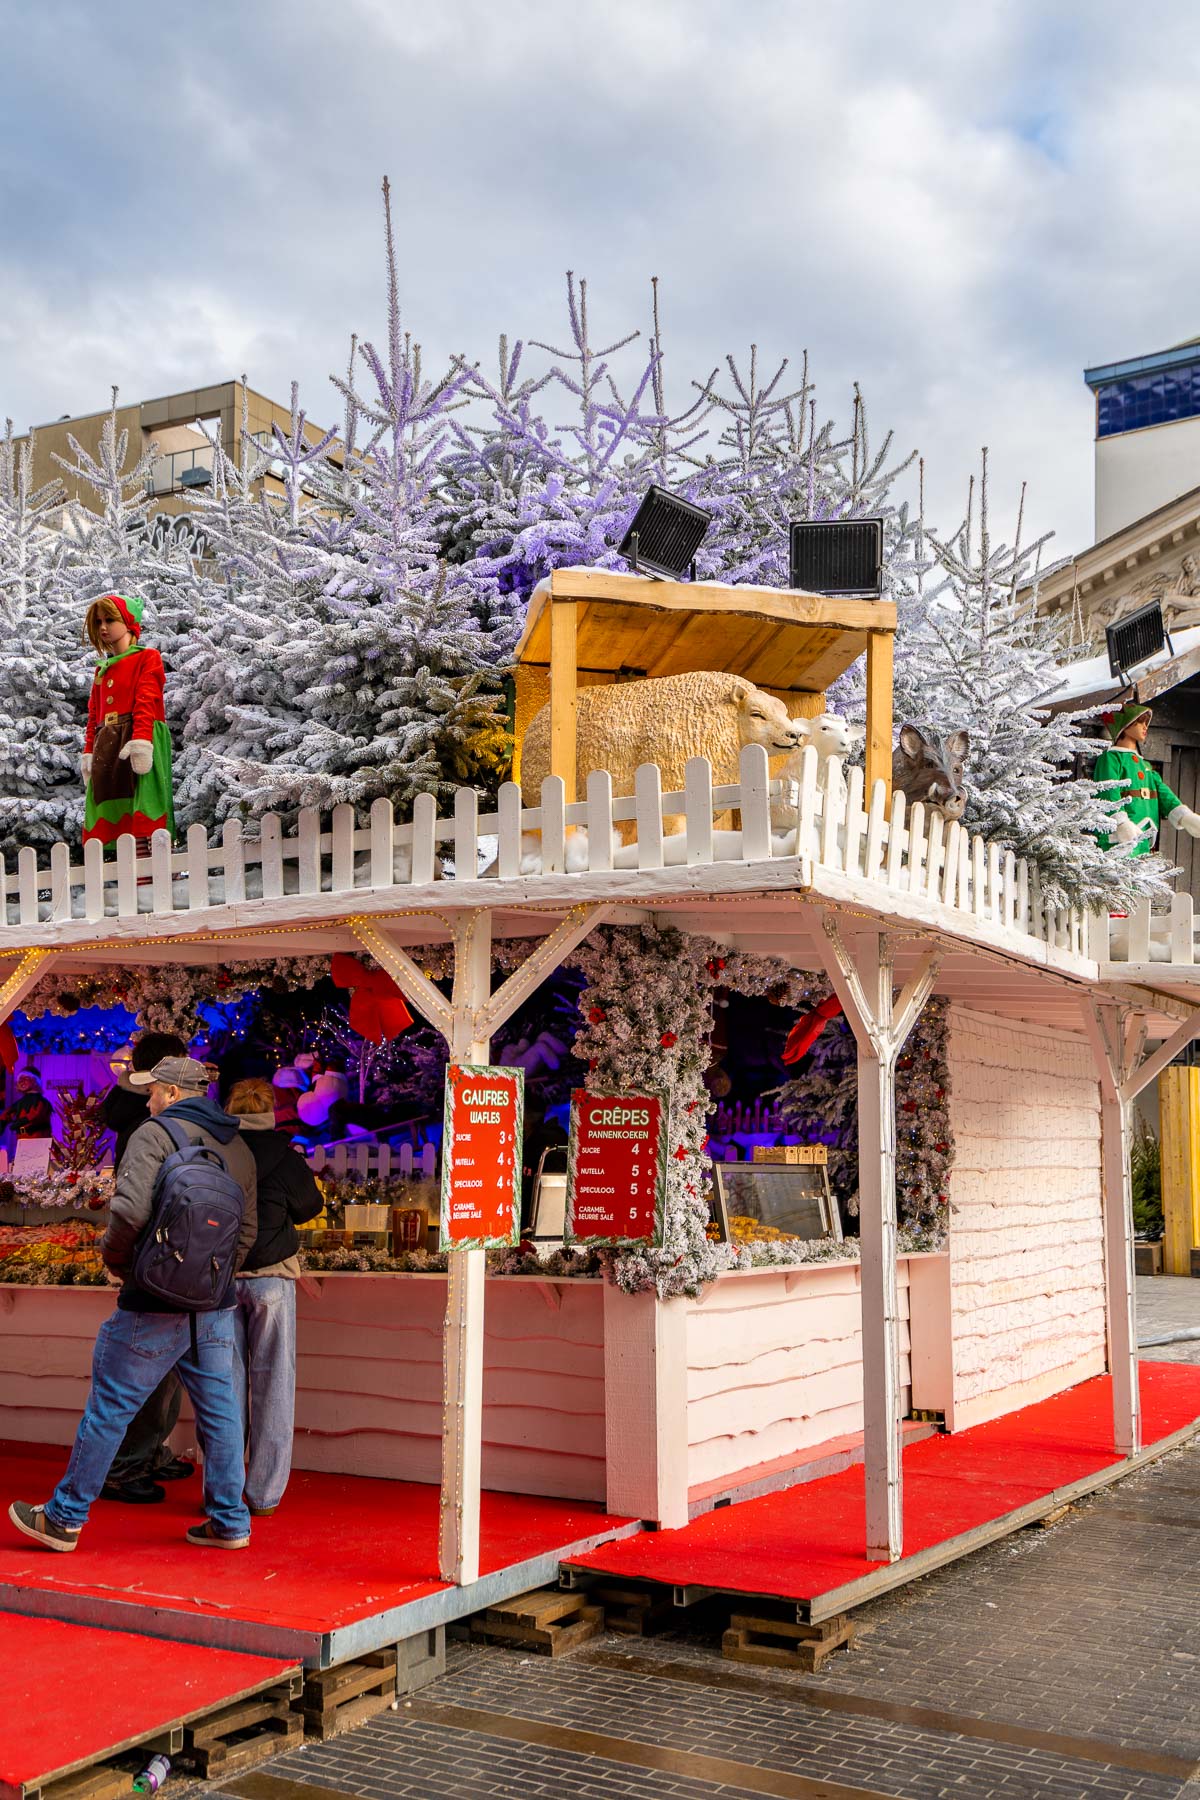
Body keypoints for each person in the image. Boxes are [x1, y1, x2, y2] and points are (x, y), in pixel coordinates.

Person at [8, 1057, 257, 1553]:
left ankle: (64, 1517)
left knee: (110, 1407)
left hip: (151, 1300)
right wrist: (210, 1278)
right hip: (213, 1303)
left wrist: (126, 1267)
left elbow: (128, 1212)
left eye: (153, 1091)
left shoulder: (154, 1134)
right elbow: (245, 1231)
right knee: (222, 1412)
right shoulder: (237, 1144)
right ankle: (230, 1521)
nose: (147, 1100)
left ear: (170, 1092)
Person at [98, 1030, 196, 1505]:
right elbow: (134, 1205)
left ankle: (149, 1451)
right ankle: (125, 1465)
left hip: (159, 1252)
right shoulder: (148, 1126)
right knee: (145, 1368)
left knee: (165, 1365)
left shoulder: (135, 1114)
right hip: (154, 1253)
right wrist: (122, 1255)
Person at [225, 1079, 323, 1515]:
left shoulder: (217, 1150)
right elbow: (309, 1207)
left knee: (222, 1389)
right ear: (272, 1111)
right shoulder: (286, 1156)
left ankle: (224, 1490)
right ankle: (263, 1494)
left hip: (221, 1278)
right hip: (272, 1279)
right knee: (274, 1386)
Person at [81, 593, 174, 850]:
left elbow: (146, 703)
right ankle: (134, 880)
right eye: (98, 621)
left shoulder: (148, 657)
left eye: (109, 620)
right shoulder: (102, 669)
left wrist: (142, 740)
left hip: (137, 737)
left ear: (127, 621)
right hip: (108, 742)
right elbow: (93, 715)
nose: (103, 628)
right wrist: (89, 750)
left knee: (144, 807)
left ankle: (154, 876)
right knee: (115, 814)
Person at [1093, 703, 1200, 853]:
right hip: (1120, 836)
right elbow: (1108, 792)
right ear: (1126, 725)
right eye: (1140, 721)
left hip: (1144, 834)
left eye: (1146, 723)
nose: (1145, 727)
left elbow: (1163, 794)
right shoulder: (1111, 758)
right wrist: (1120, 822)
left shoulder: (1146, 766)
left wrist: (1185, 816)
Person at [0, 1071, 52, 1139]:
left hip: (37, 1138)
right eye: (20, 1080)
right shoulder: (20, 1103)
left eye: (26, 1078)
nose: (22, 1081)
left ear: (35, 1082)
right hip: (22, 1138)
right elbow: (7, 1115)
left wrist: (19, 1123)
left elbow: (35, 1115)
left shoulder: (41, 1102)